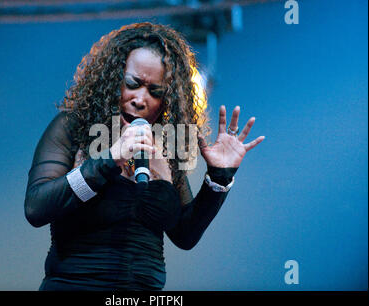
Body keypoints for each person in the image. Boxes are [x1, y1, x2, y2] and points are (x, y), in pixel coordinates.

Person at [24, 22, 264, 291]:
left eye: (155, 91)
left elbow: (185, 235)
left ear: (167, 98)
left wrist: (218, 178)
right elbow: (36, 208)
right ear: (113, 79)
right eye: (132, 84)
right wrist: (108, 160)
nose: (140, 99)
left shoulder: (167, 146)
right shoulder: (73, 127)